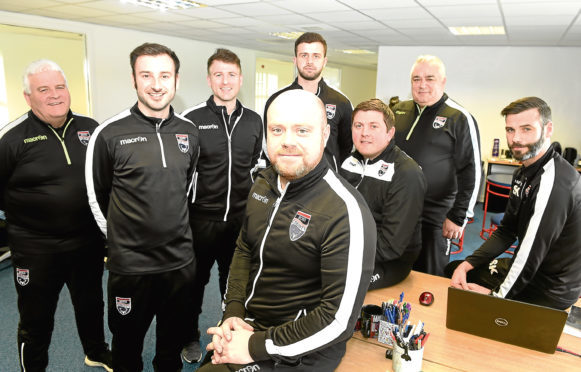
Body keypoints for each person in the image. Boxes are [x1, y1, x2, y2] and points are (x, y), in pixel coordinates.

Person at [197, 90, 376, 372]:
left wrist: (254, 346)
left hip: (302, 346)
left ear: (325, 134)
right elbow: (245, 248)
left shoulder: (345, 211)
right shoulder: (262, 183)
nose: (288, 142)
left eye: (302, 130)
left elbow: (337, 320)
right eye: (277, 130)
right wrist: (232, 312)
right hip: (251, 324)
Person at [85, 43, 200, 372]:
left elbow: (187, 188)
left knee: (169, 348)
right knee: (127, 350)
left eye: (165, 75)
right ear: (134, 80)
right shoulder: (109, 134)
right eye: (146, 75)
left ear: (176, 80)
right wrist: (121, 240)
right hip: (131, 268)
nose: (156, 84)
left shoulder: (190, 133)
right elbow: (96, 197)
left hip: (179, 265)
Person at [0, 60, 111, 371]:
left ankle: (96, 351)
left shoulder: (92, 128)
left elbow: (105, 180)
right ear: (28, 97)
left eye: (59, 87)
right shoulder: (10, 139)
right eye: (43, 89)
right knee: (36, 319)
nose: (54, 95)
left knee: (91, 305)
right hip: (37, 250)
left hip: (86, 243)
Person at [447, 97, 581, 310]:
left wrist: (494, 297)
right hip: (533, 270)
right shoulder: (523, 172)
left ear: (548, 129)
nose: (516, 138)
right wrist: (467, 263)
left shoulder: (554, 182)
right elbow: (507, 231)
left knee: (470, 303)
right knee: (457, 269)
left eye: (526, 129)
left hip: (550, 288)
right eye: (510, 130)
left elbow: (530, 255)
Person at [180, 48, 263, 363]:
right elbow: (182, 173)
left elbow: (257, 168)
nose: (225, 81)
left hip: (239, 223)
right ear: (209, 78)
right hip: (200, 221)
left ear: (240, 78)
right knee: (193, 286)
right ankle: (188, 337)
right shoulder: (192, 119)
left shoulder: (254, 121)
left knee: (235, 288)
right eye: (218, 74)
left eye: (231, 75)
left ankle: (228, 336)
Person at [393, 55, 481, 276]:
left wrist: (459, 216)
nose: (422, 85)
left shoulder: (459, 117)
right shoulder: (398, 111)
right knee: (394, 266)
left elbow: (472, 171)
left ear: (443, 81)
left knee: (430, 274)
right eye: (416, 79)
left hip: (436, 214)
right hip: (398, 207)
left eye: (429, 78)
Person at [340, 99, 426, 289]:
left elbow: (391, 247)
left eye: (374, 126)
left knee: (330, 283)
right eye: (358, 125)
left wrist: (340, 254)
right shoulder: (348, 163)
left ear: (390, 133)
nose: (364, 133)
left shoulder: (406, 173)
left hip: (386, 261)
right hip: (346, 246)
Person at [263, 32, 353, 172]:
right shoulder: (277, 99)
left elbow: (346, 147)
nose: (309, 61)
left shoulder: (341, 102)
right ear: (295, 60)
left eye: (316, 56)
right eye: (304, 55)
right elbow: (269, 142)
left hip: (326, 183)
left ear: (324, 61)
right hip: (289, 179)